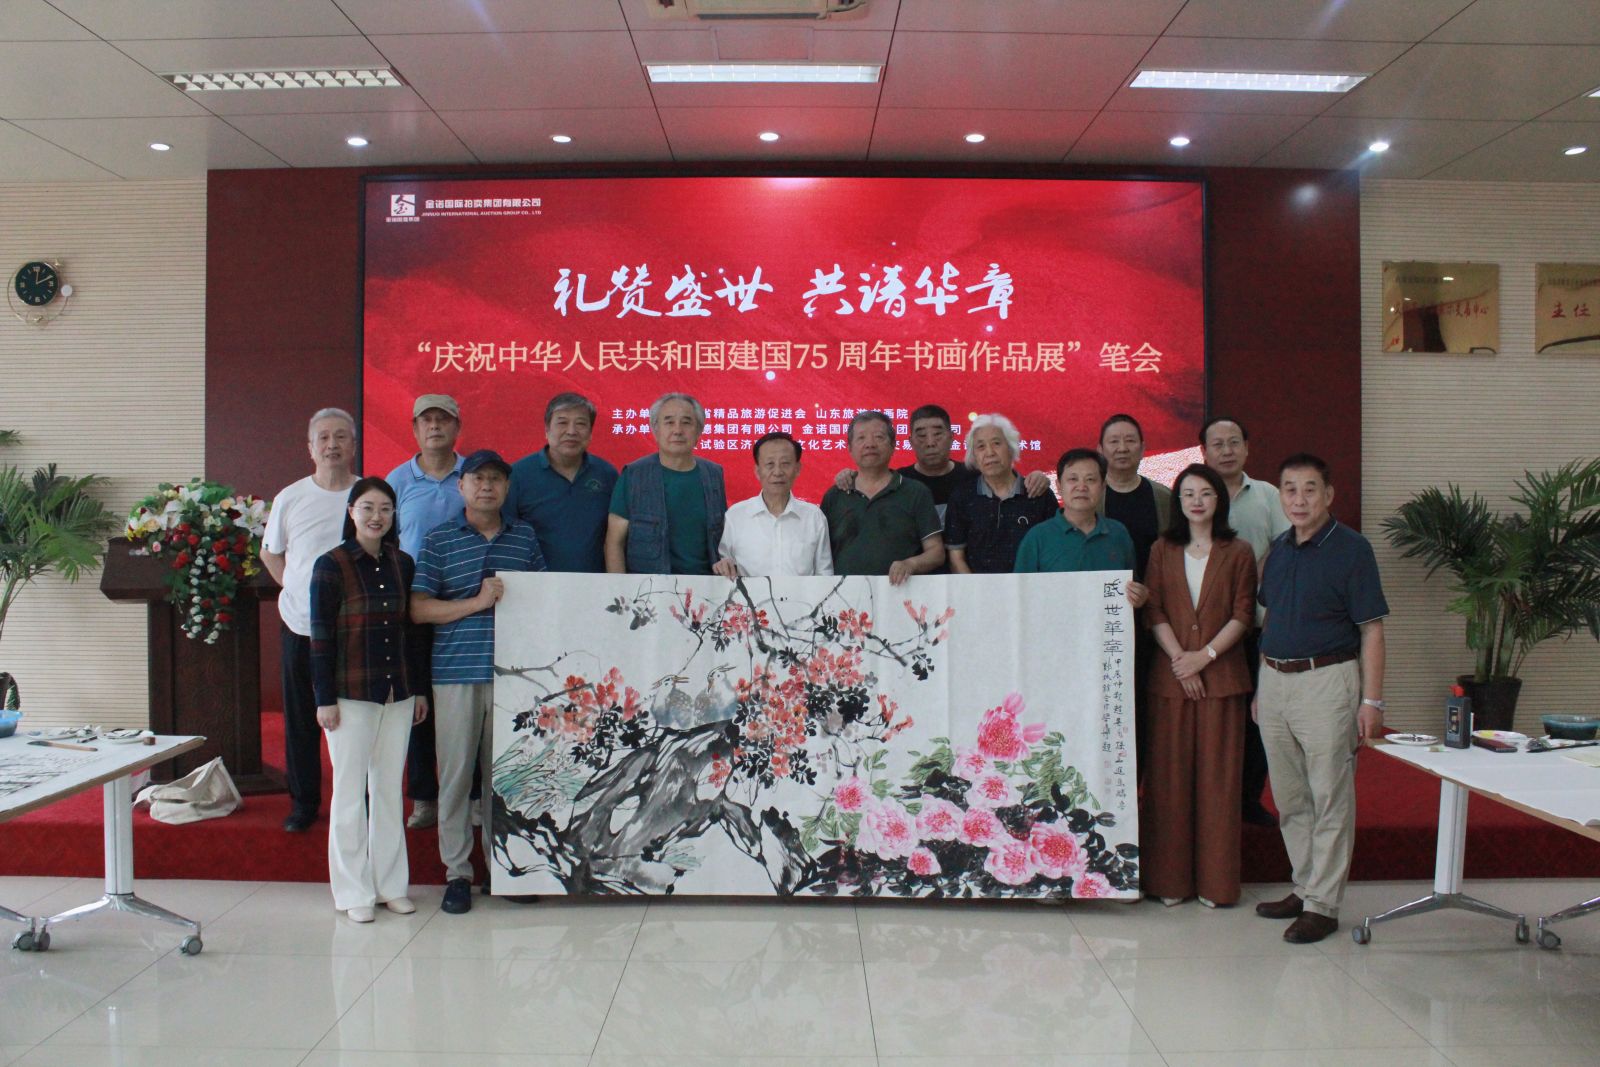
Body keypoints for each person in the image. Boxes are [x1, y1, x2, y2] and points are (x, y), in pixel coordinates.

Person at [1253, 453, 1388, 945]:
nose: (1299, 499)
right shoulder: (1279, 549)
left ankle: (1324, 906)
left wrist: (1372, 702)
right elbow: (1271, 619)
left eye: (1310, 489)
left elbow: (1371, 630)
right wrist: (1261, 686)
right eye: (1290, 489)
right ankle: (1306, 886)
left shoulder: (1352, 549)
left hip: (1327, 681)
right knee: (1289, 796)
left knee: (1329, 794)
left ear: (1328, 495)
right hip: (1275, 681)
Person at [411, 450, 547, 915]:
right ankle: (457, 873)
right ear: (462, 486)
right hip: (455, 674)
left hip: (512, 679)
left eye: (495, 479)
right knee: (454, 778)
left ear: (507, 488)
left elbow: (543, 599)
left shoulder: (524, 537)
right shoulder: (439, 539)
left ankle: (500, 868)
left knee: (502, 779)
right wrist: (475, 603)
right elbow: (419, 608)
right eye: (477, 478)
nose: (486, 486)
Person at [309, 477, 429, 923]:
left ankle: (390, 886)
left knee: (388, 791)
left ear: (394, 516)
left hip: (397, 692)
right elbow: (320, 637)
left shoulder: (403, 563)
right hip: (349, 694)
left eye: (385, 509)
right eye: (367, 508)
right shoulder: (331, 565)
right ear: (351, 513)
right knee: (348, 794)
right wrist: (324, 698)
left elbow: (411, 633)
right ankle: (353, 891)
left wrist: (417, 689)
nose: (376, 517)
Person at [1141, 464, 1257, 909]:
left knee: (1217, 784)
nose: (1196, 501)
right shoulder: (1161, 549)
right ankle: (1169, 881)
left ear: (1218, 500)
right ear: (1178, 501)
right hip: (1170, 680)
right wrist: (1180, 661)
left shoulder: (1239, 551)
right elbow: (1154, 610)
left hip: (1221, 680)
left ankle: (1217, 884)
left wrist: (1203, 657)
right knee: (1168, 782)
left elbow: (1243, 614)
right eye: (1187, 493)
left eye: (1205, 493)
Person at [262, 407, 359, 833]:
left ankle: (355, 800)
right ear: (310, 448)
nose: (332, 445)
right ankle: (303, 803)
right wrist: (297, 588)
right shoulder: (291, 496)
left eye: (340, 436)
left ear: (353, 445)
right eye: (324, 437)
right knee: (301, 718)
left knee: (354, 720)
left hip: (353, 629)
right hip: (299, 625)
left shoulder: (367, 495)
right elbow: (271, 552)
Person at [1201, 416, 1292, 828]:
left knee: (1256, 719)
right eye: (1217, 444)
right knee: (1213, 720)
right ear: (1204, 452)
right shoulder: (1196, 494)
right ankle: (1209, 800)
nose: (1226, 450)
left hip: (1257, 626)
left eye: (1233, 442)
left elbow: (1285, 550)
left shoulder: (1269, 496)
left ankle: (1248, 799)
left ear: (1247, 448)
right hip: (1204, 631)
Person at [385, 394, 465, 831]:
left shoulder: (472, 476)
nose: (435, 426)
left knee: (467, 707)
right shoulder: (397, 481)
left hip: (466, 608)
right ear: (415, 429)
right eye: (426, 420)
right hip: (414, 608)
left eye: (443, 419)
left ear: (457, 427)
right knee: (417, 704)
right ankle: (423, 796)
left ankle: (471, 795)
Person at [606, 393, 726, 575]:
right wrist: (621, 588)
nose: (677, 430)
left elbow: (723, 537)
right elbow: (614, 542)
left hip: (706, 584)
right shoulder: (634, 474)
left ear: (699, 431)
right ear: (655, 430)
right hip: (648, 585)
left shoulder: (713, 474)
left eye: (686, 422)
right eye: (669, 422)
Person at [1013, 449, 1147, 612]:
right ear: (1059, 486)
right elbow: (1020, 597)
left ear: (1103, 487)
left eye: (1090, 480)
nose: (1081, 487)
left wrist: (1139, 595)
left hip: (1107, 627)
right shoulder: (1037, 538)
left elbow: (1132, 586)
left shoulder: (1118, 533)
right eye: (1073, 479)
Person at [821, 411, 944, 584]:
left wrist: (911, 564)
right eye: (861, 438)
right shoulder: (834, 496)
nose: (870, 444)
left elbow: (936, 552)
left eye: (879, 437)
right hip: (845, 596)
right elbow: (820, 556)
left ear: (893, 445)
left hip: (901, 592)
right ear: (849, 448)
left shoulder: (915, 492)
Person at [507, 392, 618, 574]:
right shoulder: (518, 475)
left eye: (581, 423)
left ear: (591, 432)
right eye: (562, 422)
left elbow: (617, 535)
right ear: (547, 429)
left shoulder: (607, 474)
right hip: (536, 583)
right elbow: (506, 535)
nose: (571, 431)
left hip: (595, 583)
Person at [944, 413, 1058, 574]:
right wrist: (974, 588)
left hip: (1031, 586)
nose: (989, 452)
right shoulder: (962, 497)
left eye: (997, 443)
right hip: (977, 587)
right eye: (981, 447)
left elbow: (1054, 551)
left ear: (1011, 448)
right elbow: (956, 558)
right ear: (973, 456)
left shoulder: (1038, 494)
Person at [714, 432, 832, 578]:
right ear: (757, 471)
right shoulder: (736, 516)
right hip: (747, 594)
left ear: (797, 469)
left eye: (785, 464)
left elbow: (825, 574)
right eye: (770, 464)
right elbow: (724, 565)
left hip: (803, 594)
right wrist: (723, 566)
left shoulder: (814, 517)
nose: (777, 472)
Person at [1098, 413, 1171, 580]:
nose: (1122, 448)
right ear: (1100, 450)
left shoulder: (1164, 497)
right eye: (1114, 441)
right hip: (1104, 591)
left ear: (1142, 449)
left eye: (1130, 440)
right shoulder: (1090, 497)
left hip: (1155, 591)